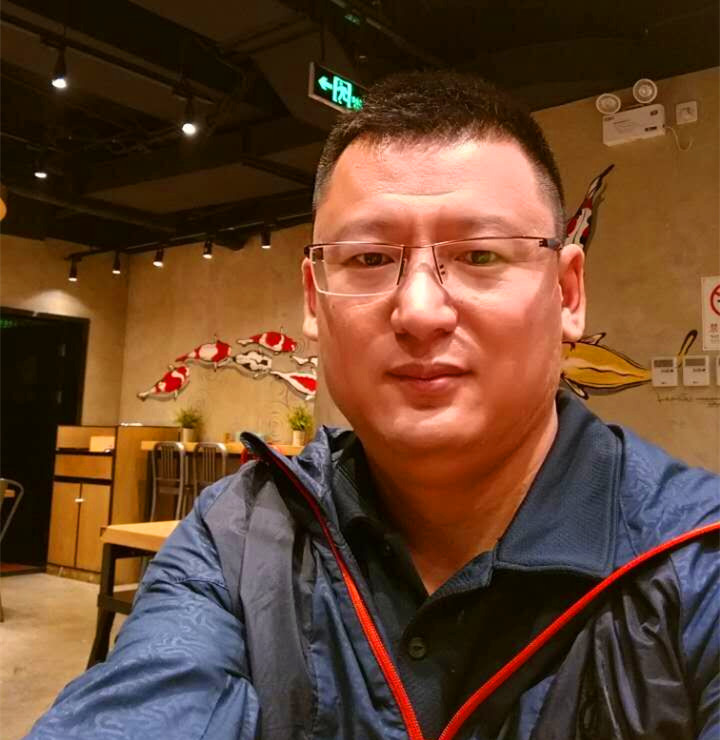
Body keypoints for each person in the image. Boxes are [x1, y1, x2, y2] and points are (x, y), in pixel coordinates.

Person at [28, 72, 718, 740]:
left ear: (567, 293)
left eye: (480, 255)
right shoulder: (238, 537)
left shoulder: (696, 559)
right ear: (313, 299)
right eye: (368, 259)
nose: (419, 310)